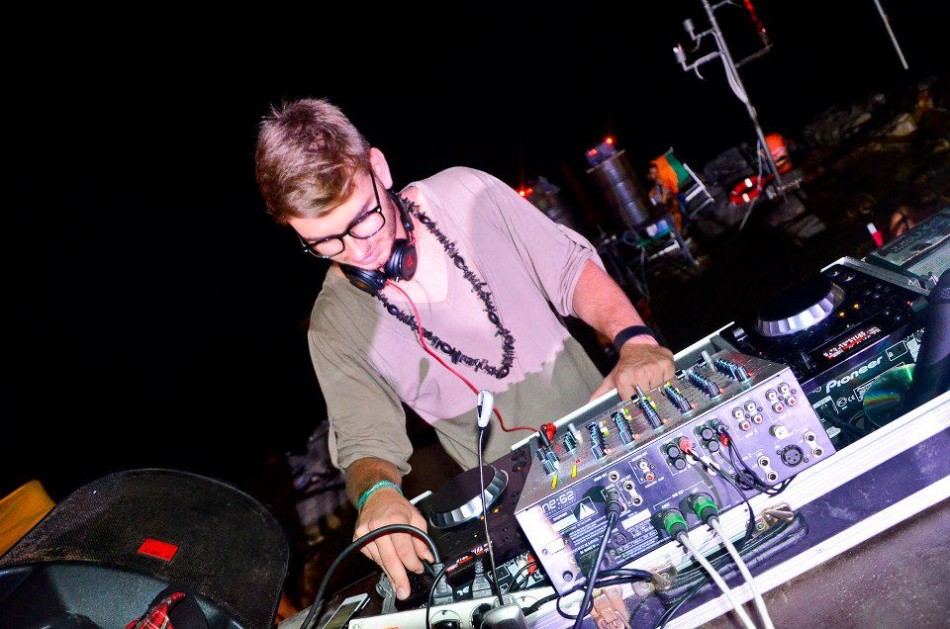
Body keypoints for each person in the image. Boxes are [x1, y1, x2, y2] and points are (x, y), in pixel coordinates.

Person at [254, 98, 675, 601]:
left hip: (625, 432)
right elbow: (366, 444)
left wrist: (635, 342)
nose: (358, 251)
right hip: (522, 510)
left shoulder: (467, 194)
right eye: (326, 243)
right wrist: (378, 494)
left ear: (378, 168)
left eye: (362, 219)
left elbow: (569, 271)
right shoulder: (336, 322)